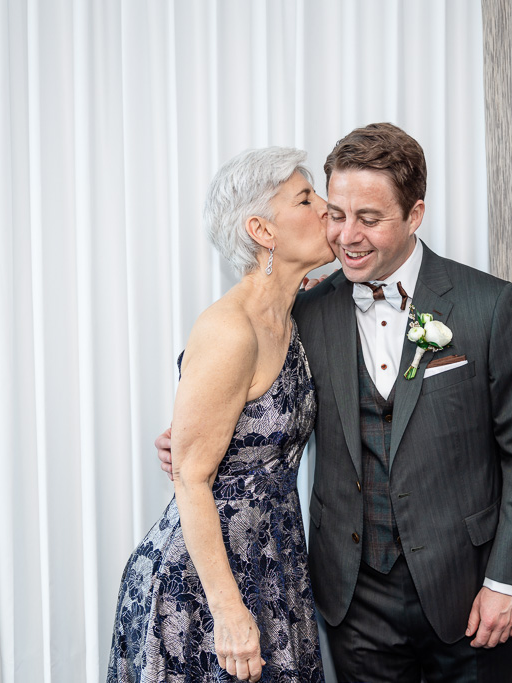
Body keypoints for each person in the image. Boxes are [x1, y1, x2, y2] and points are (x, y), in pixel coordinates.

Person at [159, 122, 512, 682]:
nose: (347, 235)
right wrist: (190, 439)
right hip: (352, 599)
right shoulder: (307, 315)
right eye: (335, 214)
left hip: (470, 590)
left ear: (414, 215)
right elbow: (242, 389)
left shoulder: (489, 306)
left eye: (369, 219)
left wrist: (507, 582)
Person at [107, 147, 332, 683]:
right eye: (306, 198)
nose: (327, 207)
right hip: (203, 584)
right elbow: (190, 474)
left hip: (276, 563)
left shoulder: (291, 311)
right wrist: (229, 613)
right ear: (262, 229)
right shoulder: (230, 329)